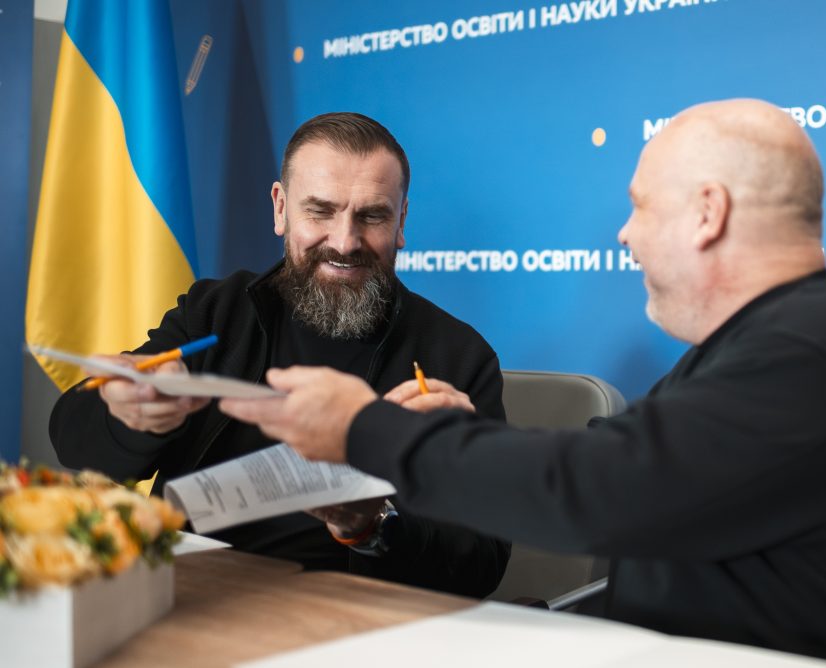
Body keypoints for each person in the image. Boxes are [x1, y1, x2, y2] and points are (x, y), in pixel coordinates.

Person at [220, 99, 826, 668]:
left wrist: (364, 430)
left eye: (637, 206)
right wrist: (467, 447)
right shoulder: (743, 356)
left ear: (707, 213)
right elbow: (607, 468)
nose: (624, 235)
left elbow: (596, 491)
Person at [50, 112, 510, 598]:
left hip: (341, 622)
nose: (344, 241)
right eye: (320, 211)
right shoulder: (216, 311)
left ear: (401, 222)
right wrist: (130, 415)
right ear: (280, 208)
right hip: (180, 592)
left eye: (371, 216)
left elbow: (480, 565)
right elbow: (73, 440)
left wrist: (371, 523)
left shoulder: (458, 357)